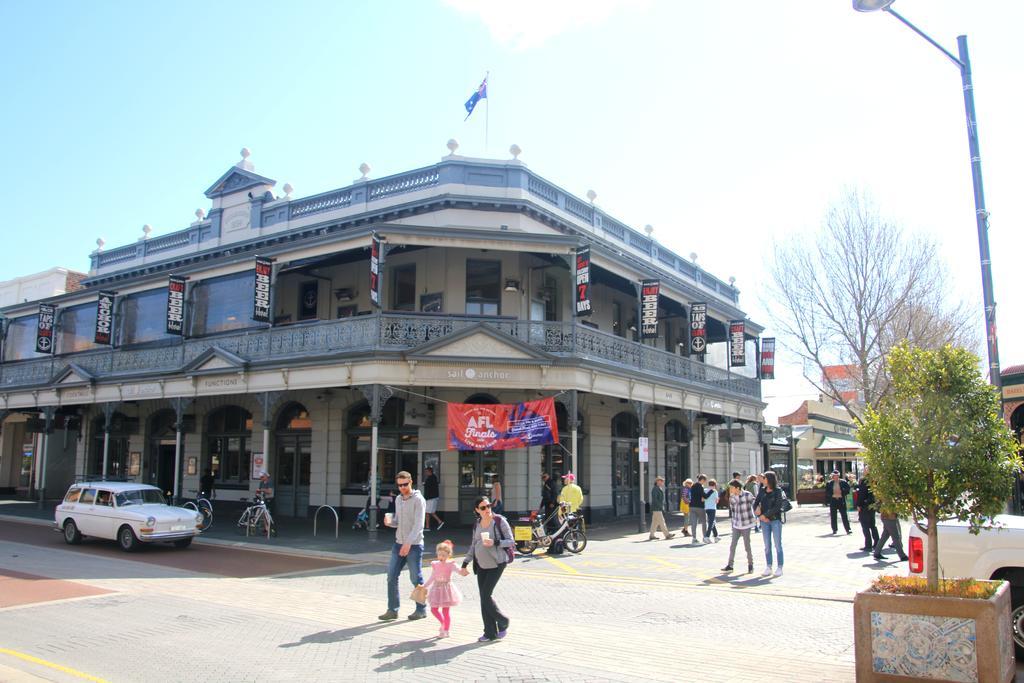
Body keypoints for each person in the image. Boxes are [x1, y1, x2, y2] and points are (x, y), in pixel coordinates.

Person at [459, 496, 513, 642]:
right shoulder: (477, 524)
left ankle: (503, 621)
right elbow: (473, 544)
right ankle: (490, 633)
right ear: (477, 510)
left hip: (497, 564)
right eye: (483, 507)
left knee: (485, 596)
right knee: (484, 598)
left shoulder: (499, 521)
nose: (487, 509)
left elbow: (511, 541)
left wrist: (495, 542)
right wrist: (465, 563)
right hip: (481, 565)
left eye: (488, 506)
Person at [379, 471, 428, 622]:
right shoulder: (399, 499)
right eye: (400, 485)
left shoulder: (419, 500)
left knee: (416, 578)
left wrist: (408, 543)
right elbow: (398, 521)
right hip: (398, 543)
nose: (402, 488)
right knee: (391, 577)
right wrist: (390, 522)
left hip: (414, 545)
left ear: (411, 482)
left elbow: (419, 525)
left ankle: (421, 609)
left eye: (405, 484)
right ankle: (392, 610)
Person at [423, 539, 463, 638]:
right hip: (436, 588)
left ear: (448, 555)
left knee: (446, 611)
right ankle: (443, 624)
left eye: (444, 555)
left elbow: (459, 571)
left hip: (447, 589)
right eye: (440, 554)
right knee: (434, 609)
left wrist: (463, 571)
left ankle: (446, 630)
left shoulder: (451, 564)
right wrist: (424, 586)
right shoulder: (435, 564)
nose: (441, 557)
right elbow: (432, 577)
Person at [754, 470, 785, 577]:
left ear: (770, 479)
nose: (763, 479)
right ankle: (768, 566)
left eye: (765, 478)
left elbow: (777, 506)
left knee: (777, 545)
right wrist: (759, 514)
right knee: (767, 545)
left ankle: (780, 567)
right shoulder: (762, 490)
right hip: (764, 522)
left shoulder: (778, 491)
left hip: (775, 520)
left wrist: (765, 515)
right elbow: (756, 503)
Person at [722, 479, 756, 573]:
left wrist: (757, 515)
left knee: (747, 546)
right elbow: (733, 511)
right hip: (736, 524)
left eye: (732, 487)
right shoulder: (732, 497)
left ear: (737, 488)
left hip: (746, 523)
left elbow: (755, 504)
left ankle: (750, 564)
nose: (730, 489)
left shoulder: (747, 494)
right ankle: (730, 565)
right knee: (732, 545)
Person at [874, 498, 909, 562]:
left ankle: (877, 552)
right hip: (889, 517)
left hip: (887, 517)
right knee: (895, 537)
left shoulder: (885, 493)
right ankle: (902, 556)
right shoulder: (888, 494)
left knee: (885, 536)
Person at [856, 475, 879, 553]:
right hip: (872, 506)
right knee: (872, 525)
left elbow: (861, 495)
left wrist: (859, 505)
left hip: (864, 506)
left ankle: (868, 544)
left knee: (865, 526)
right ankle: (877, 542)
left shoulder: (864, 481)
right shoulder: (874, 481)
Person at [825, 470, 852, 535]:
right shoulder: (830, 483)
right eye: (834, 476)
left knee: (844, 515)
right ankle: (834, 529)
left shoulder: (843, 482)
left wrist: (843, 491)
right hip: (833, 500)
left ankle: (848, 529)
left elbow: (848, 489)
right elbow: (827, 492)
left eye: (837, 475)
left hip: (841, 500)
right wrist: (830, 496)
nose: (835, 477)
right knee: (833, 516)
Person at [648, 476, 675, 541]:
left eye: (663, 481)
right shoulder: (655, 489)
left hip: (657, 508)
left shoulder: (658, 488)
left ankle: (652, 535)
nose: (662, 482)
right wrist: (660, 506)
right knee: (662, 521)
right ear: (657, 482)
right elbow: (655, 499)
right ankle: (667, 534)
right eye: (661, 481)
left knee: (655, 522)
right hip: (657, 508)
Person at [423, 466, 444, 532]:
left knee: (428, 512)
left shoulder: (430, 479)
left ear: (429, 471)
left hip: (430, 498)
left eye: (426, 471)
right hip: (432, 497)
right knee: (430, 512)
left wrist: (425, 497)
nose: (425, 473)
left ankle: (437, 522)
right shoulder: (433, 478)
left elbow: (429, 489)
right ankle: (429, 526)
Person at [689, 475, 709, 543]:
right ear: (702, 480)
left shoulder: (692, 486)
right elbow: (705, 496)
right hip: (700, 507)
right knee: (704, 522)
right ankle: (705, 537)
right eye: (705, 480)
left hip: (692, 506)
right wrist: (711, 491)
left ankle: (694, 538)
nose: (705, 482)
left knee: (694, 523)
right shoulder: (700, 487)